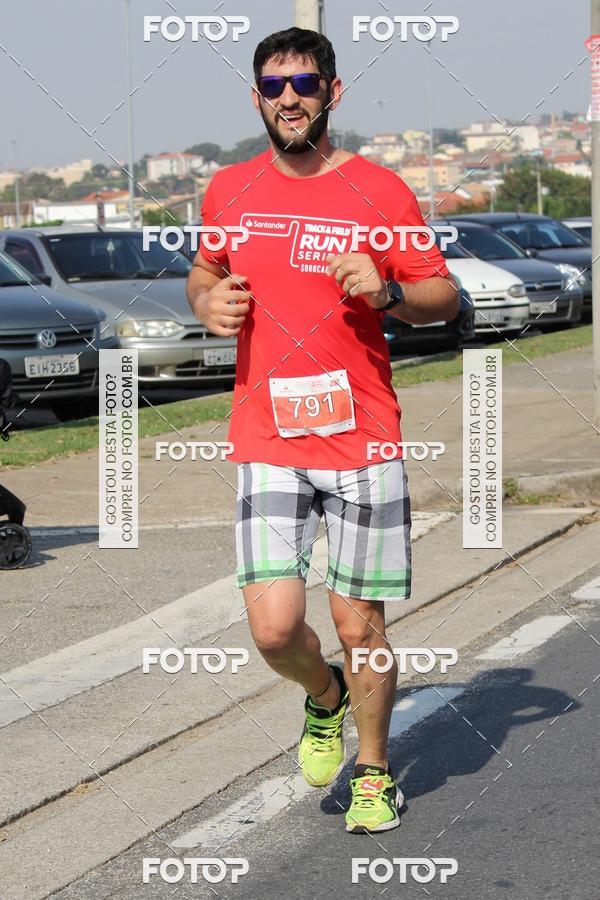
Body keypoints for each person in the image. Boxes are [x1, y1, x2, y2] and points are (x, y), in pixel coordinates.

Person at [187, 27, 458, 833]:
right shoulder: (229, 190)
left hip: (361, 436)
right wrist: (207, 302)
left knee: (357, 622)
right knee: (274, 631)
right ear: (257, 100)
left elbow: (440, 294)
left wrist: (385, 293)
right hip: (268, 434)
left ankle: (373, 772)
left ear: (332, 92)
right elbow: (203, 270)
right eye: (274, 87)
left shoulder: (381, 191)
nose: (290, 98)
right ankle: (324, 694)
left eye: (304, 82)